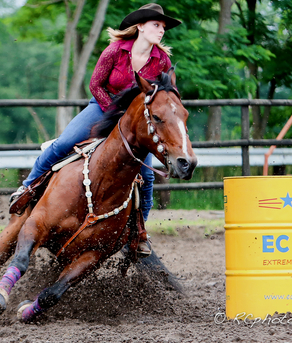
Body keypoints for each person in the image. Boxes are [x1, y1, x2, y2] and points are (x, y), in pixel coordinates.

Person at [10, 3, 181, 256]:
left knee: (148, 176)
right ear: (141, 26)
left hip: (135, 120)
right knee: (65, 142)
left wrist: (135, 118)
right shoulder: (114, 51)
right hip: (102, 106)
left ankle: (138, 233)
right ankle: (26, 188)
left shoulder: (162, 61)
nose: (161, 30)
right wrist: (114, 111)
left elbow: (163, 97)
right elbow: (95, 84)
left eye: (163, 27)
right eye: (157, 25)